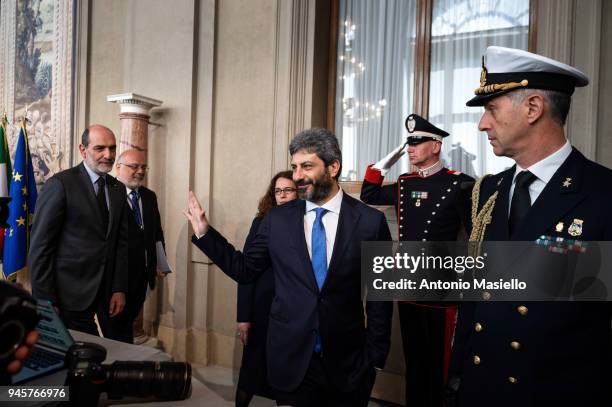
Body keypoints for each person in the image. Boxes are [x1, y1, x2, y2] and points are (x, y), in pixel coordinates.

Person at [449, 46, 612, 406]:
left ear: (533, 108)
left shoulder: (602, 193)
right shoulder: (487, 191)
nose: (482, 124)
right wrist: (457, 378)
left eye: (492, 110)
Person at [184, 128, 393, 407]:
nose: (297, 175)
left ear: (333, 167)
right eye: (294, 166)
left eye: (307, 166)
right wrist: (205, 233)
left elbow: (382, 294)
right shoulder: (277, 220)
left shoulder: (370, 221)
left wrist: (374, 358)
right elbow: (245, 269)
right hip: (291, 359)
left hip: (348, 363)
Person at [361, 114, 473, 407]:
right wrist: (386, 161)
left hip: (441, 288)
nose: (410, 148)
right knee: (415, 363)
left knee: (440, 368)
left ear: (435, 145)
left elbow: (476, 235)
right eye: (407, 144)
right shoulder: (405, 183)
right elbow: (368, 194)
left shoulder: (460, 184)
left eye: (416, 142)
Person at [29, 125, 128, 336]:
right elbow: (40, 248)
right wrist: (45, 302)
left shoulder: (117, 188)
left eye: (112, 148)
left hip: (107, 293)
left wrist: (119, 288)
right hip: (68, 295)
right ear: (83, 150)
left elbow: (120, 242)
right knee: (83, 354)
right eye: (100, 148)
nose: (108, 155)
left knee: (117, 349)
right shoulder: (60, 185)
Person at [235, 170, 297, 406]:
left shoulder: (308, 222)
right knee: (250, 371)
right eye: (277, 191)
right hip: (262, 308)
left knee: (287, 374)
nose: (281, 195)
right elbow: (245, 271)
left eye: (287, 190)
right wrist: (243, 317)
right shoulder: (261, 222)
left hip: (291, 312)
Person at [112, 149, 166, 343]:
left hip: (142, 276)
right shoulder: (108, 193)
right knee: (117, 330)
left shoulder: (149, 196)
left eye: (143, 167)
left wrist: (160, 261)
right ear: (118, 167)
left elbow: (156, 233)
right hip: (116, 278)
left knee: (128, 324)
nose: (140, 171)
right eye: (134, 166)